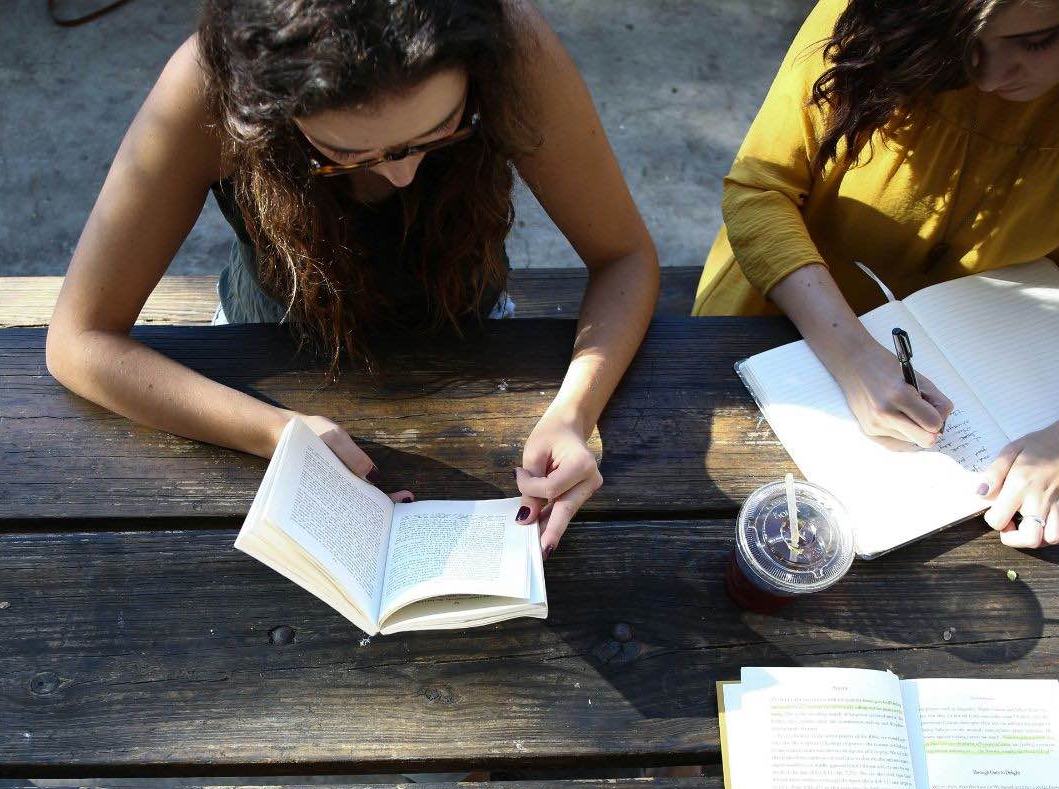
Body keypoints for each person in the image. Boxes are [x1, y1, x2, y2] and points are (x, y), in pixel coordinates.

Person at [47, 0, 659, 557]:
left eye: (441, 130)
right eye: (348, 155)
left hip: (472, 331)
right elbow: (79, 341)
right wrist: (278, 432)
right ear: (265, 108)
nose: (403, 176)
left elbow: (624, 256)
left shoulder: (511, 44)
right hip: (264, 347)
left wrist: (574, 413)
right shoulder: (209, 85)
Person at [697, 0, 1059, 549]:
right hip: (781, 316)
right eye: (965, 43)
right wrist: (852, 354)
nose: (991, 76)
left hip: (1019, 378)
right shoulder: (876, 11)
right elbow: (762, 190)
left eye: (1037, 40)